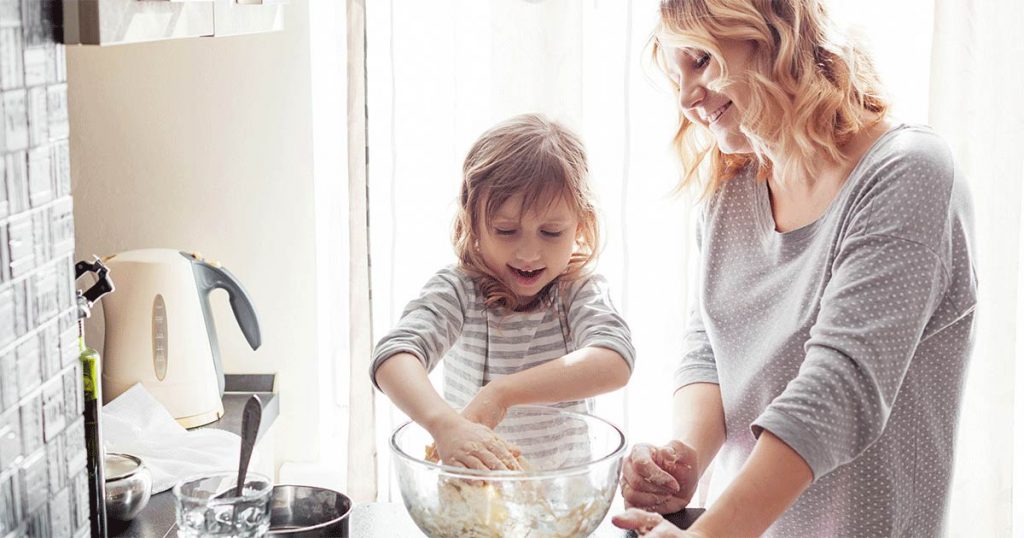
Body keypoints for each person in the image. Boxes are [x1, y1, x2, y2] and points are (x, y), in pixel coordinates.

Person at [613, 1, 977, 536]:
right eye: (676, 77)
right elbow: (709, 349)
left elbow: (839, 387)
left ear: (774, 35)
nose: (687, 98)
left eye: (700, 62)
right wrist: (683, 458)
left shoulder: (907, 173)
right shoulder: (730, 193)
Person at [370, 113, 635, 471]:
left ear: (581, 225)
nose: (528, 254)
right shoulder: (459, 291)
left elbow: (614, 362)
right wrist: (444, 424)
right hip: (474, 496)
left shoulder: (578, 293)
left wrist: (503, 392)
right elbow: (393, 356)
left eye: (551, 232)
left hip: (559, 499)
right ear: (472, 223)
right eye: (506, 231)